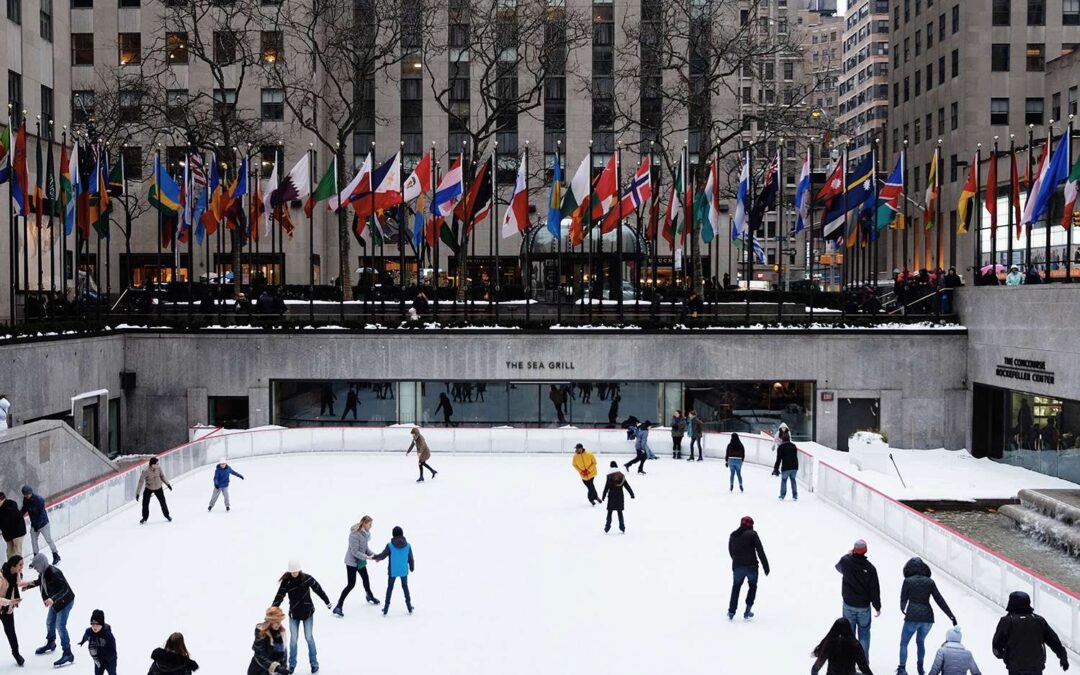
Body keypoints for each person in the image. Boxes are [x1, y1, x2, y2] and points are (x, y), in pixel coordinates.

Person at [898, 557, 957, 675]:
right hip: (928, 618)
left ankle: (902, 669)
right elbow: (939, 600)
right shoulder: (930, 582)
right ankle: (920, 668)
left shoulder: (908, 581)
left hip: (912, 617)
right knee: (920, 642)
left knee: (904, 643)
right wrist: (951, 616)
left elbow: (903, 599)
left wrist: (903, 608)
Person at [271, 560, 331, 674]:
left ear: (299, 569)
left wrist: (327, 601)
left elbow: (318, 589)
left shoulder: (307, 578)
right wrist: (273, 609)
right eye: (292, 571)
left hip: (308, 614)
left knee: (309, 637)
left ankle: (314, 664)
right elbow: (280, 596)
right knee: (293, 640)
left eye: (296, 571)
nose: (294, 573)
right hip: (294, 615)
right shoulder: (287, 582)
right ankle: (292, 665)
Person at [992, 590, 1069, 675]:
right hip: (1036, 666)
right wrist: (1063, 657)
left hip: (1015, 667)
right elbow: (1053, 640)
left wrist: (1005, 656)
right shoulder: (1038, 620)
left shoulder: (1007, 621)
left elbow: (996, 645)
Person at [24, 552, 75, 667]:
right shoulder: (43, 572)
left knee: (60, 626)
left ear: (41, 564)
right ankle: (51, 643)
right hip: (56, 602)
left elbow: (65, 588)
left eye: (36, 566)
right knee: (49, 622)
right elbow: (40, 582)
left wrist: (53, 599)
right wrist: (28, 586)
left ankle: (68, 653)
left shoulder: (54, 573)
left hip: (65, 602)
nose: (35, 569)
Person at [835, 539, 881, 660]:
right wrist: (877, 606)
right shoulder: (870, 568)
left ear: (854, 550)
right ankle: (862, 661)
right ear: (865, 551)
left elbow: (838, 567)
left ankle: (848, 659)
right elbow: (874, 589)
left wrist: (848, 555)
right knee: (864, 634)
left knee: (848, 633)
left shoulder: (846, 561)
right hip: (863, 607)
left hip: (848, 604)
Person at [333, 516, 379, 616]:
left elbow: (365, 548)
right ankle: (338, 606)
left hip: (360, 561)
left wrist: (374, 556)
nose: (371, 526)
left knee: (366, 578)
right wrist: (367, 557)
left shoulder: (365, 534)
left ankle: (369, 596)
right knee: (351, 584)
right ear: (364, 523)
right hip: (352, 563)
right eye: (370, 524)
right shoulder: (354, 534)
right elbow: (354, 552)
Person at [727, 516, 769, 620]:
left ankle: (731, 612)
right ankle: (747, 610)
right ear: (751, 525)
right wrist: (766, 566)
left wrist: (737, 561)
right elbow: (760, 550)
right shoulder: (752, 534)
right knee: (752, 587)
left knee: (736, 588)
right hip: (751, 567)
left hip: (737, 567)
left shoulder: (733, 535)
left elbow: (731, 551)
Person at [372, 526, 415, 616]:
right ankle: (409, 607)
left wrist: (374, 557)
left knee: (390, 588)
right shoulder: (408, 546)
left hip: (393, 571)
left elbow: (382, 556)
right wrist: (411, 567)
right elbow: (411, 559)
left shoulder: (390, 546)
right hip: (403, 571)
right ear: (402, 534)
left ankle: (386, 609)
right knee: (405, 587)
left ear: (393, 534)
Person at [20, 486, 59, 563]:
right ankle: (36, 559)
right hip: (34, 525)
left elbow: (39, 513)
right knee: (34, 541)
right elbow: (25, 508)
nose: (27, 496)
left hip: (43, 524)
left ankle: (55, 555)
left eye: (28, 494)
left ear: (31, 492)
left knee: (48, 539)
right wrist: (19, 515)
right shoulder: (26, 500)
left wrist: (37, 524)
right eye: (25, 495)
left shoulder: (39, 500)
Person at [247, 607, 290, 675]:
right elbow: (260, 656)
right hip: (259, 671)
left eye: (280, 621)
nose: (279, 624)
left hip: (274, 672)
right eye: (277, 622)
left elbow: (284, 653)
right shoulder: (261, 633)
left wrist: (284, 667)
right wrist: (276, 668)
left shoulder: (281, 633)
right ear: (270, 621)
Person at [0, 555, 24, 666]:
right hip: (5, 604)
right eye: (20, 565)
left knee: (11, 633)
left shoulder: (16, 574)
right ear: (13, 565)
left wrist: (36, 582)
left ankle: (16, 653)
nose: (22, 567)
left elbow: (20, 583)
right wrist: (9, 601)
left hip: (6, 610)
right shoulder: (1, 578)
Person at [77, 609, 117, 675]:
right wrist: (82, 641)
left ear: (101, 624)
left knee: (112, 673)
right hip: (98, 660)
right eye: (92, 624)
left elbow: (112, 650)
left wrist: (106, 660)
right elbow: (86, 635)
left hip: (110, 660)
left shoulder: (108, 635)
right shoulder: (89, 631)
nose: (94, 627)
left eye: (97, 624)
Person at [136, 457, 173, 524]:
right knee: (145, 504)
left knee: (163, 502)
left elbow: (162, 476)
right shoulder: (145, 471)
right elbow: (141, 482)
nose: (158, 465)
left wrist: (168, 484)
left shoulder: (158, 468)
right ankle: (144, 517)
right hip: (149, 488)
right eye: (157, 464)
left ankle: (167, 515)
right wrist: (137, 493)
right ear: (152, 464)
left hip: (159, 488)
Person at [601, 461, 635, 533]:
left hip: (611, 496)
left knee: (609, 512)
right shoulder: (621, 476)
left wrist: (603, 496)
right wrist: (632, 494)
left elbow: (606, 487)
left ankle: (607, 527)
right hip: (620, 496)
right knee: (620, 512)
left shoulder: (609, 476)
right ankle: (622, 527)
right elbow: (627, 486)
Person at [0, 493, 25, 560]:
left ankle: (19, 569)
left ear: (2, 499)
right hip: (8, 534)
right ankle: (10, 569)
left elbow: (9, 520)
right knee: (9, 553)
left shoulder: (11, 505)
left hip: (17, 532)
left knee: (17, 552)